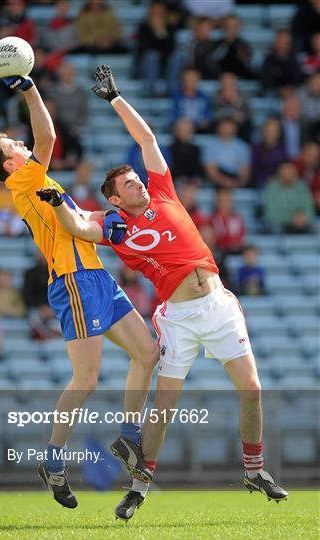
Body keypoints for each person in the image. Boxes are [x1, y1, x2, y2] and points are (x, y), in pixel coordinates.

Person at [40, 64, 288, 520]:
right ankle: (138, 486)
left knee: (252, 390)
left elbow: (148, 140)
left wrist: (116, 99)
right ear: (114, 198)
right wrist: (59, 203)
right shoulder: (114, 228)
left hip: (219, 305)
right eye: (127, 183)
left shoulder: (164, 194)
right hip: (178, 315)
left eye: (136, 178)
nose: (137, 182)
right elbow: (77, 225)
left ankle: (254, 468)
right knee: (166, 406)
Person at [0, 73, 158, 509]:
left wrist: (119, 214)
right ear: (9, 165)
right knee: (87, 379)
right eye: (14, 148)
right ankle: (53, 461)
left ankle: (130, 436)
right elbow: (47, 133)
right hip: (73, 282)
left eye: (19, 145)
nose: (22, 146)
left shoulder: (43, 183)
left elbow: (81, 215)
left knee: (148, 353)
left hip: (96, 277)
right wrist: (28, 87)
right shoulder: (22, 181)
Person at [264, 160, 315, 234]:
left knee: (314, 225)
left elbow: (309, 208)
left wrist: (303, 217)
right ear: (279, 172)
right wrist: (291, 218)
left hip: (301, 223)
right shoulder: (272, 188)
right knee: (274, 226)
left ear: (295, 172)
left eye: (290, 170)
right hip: (281, 224)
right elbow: (271, 213)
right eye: (285, 170)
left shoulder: (302, 187)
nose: (287, 173)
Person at [205, 117, 251, 188]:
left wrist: (238, 183)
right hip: (216, 183)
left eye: (229, 126)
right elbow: (211, 171)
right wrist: (225, 182)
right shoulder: (211, 145)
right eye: (224, 126)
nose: (226, 129)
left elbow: (245, 172)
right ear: (219, 127)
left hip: (235, 180)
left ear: (235, 128)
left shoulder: (242, 146)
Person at [261, 30, 302, 94]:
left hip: (292, 94)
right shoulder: (269, 60)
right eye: (281, 40)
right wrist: (279, 90)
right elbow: (265, 80)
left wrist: (290, 89)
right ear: (276, 42)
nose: (283, 44)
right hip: (273, 94)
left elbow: (298, 79)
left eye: (286, 41)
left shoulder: (295, 60)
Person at [171, 68, 212, 134]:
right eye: (188, 79)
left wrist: (194, 124)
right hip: (181, 129)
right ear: (183, 80)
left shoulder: (204, 98)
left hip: (200, 129)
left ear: (198, 80)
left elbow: (207, 118)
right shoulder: (176, 97)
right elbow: (174, 117)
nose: (190, 82)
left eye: (193, 79)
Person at [251, 117, 287, 189]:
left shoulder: (282, 150)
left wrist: (276, 179)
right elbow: (254, 170)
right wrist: (265, 179)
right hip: (261, 183)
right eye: (268, 130)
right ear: (263, 131)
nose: (270, 133)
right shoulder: (256, 149)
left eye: (274, 131)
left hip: (279, 182)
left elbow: (284, 168)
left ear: (278, 133)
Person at [210, 188, 245, 254]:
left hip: (235, 252)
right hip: (218, 252)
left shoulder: (237, 218)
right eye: (222, 200)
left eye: (227, 200)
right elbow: (213, 239)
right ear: (217, 201)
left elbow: (240, 238)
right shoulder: (212, 218)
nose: (225, 203)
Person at [169, 118, 203, 184]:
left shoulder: (195, 149)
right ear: (176, 131)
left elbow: (197, 169)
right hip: (175, 182)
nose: (184, 132)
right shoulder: (170, 149)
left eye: (187, 130)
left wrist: (195, 178)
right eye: (182, 130)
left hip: (191, 184)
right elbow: (171, 169)